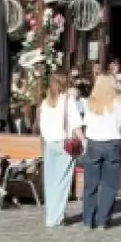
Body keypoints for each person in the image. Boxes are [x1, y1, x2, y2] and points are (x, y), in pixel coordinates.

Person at [81, 72, 121, 230]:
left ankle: (88, 219)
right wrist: (120, 129)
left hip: (93, 143)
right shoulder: (119, 102)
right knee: (109, 184)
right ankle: (103, 220)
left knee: (91, 184)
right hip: (112, 143)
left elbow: (86, 123)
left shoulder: (90, 102)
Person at [38, 71, 84, 228]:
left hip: (50, 143)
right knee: (63, 181)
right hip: (65, 143)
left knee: (50, 182)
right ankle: (56, 218)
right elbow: (76, 122)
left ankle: (52, 214)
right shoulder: (67, 100)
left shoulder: (46, 102)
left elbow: (42, 125)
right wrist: (83, 139)